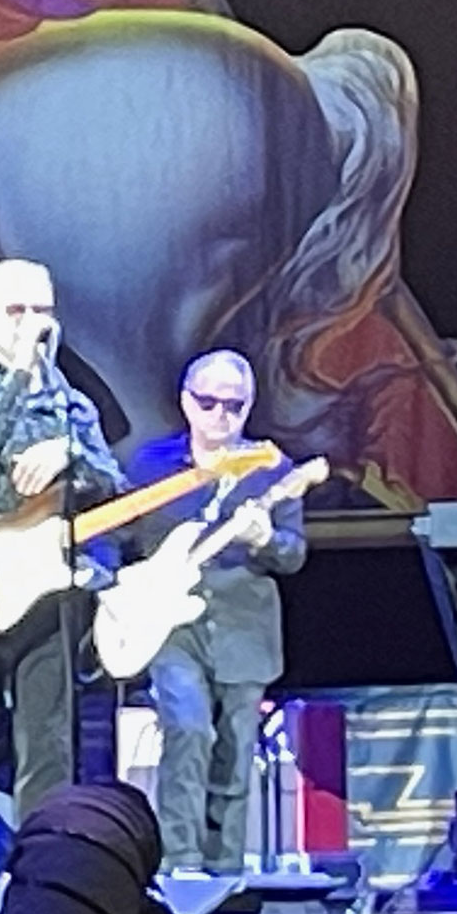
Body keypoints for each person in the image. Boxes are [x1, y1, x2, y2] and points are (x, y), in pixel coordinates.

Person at [0, 258, 128, 884]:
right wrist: (16, 377)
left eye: (43, 310)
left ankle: (44, 873)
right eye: (16, 311)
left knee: (48, 740)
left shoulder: (69, 403)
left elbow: (113, 484)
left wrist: (69, 452)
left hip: (51, 588)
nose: (34, 325)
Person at [129, 349, 306, 879]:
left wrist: (265, 538)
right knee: (188, 727)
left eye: (234, 406)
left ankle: (225, 871)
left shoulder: (273, 470)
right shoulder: (150, 467)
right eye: (208, 403)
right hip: (171, 627)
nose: (220, 416)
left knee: (234, 750)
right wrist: (113, 590)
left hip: (243, 629)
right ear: (186, 402)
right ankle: (179, 863)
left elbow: (294, 554)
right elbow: (120, 539)